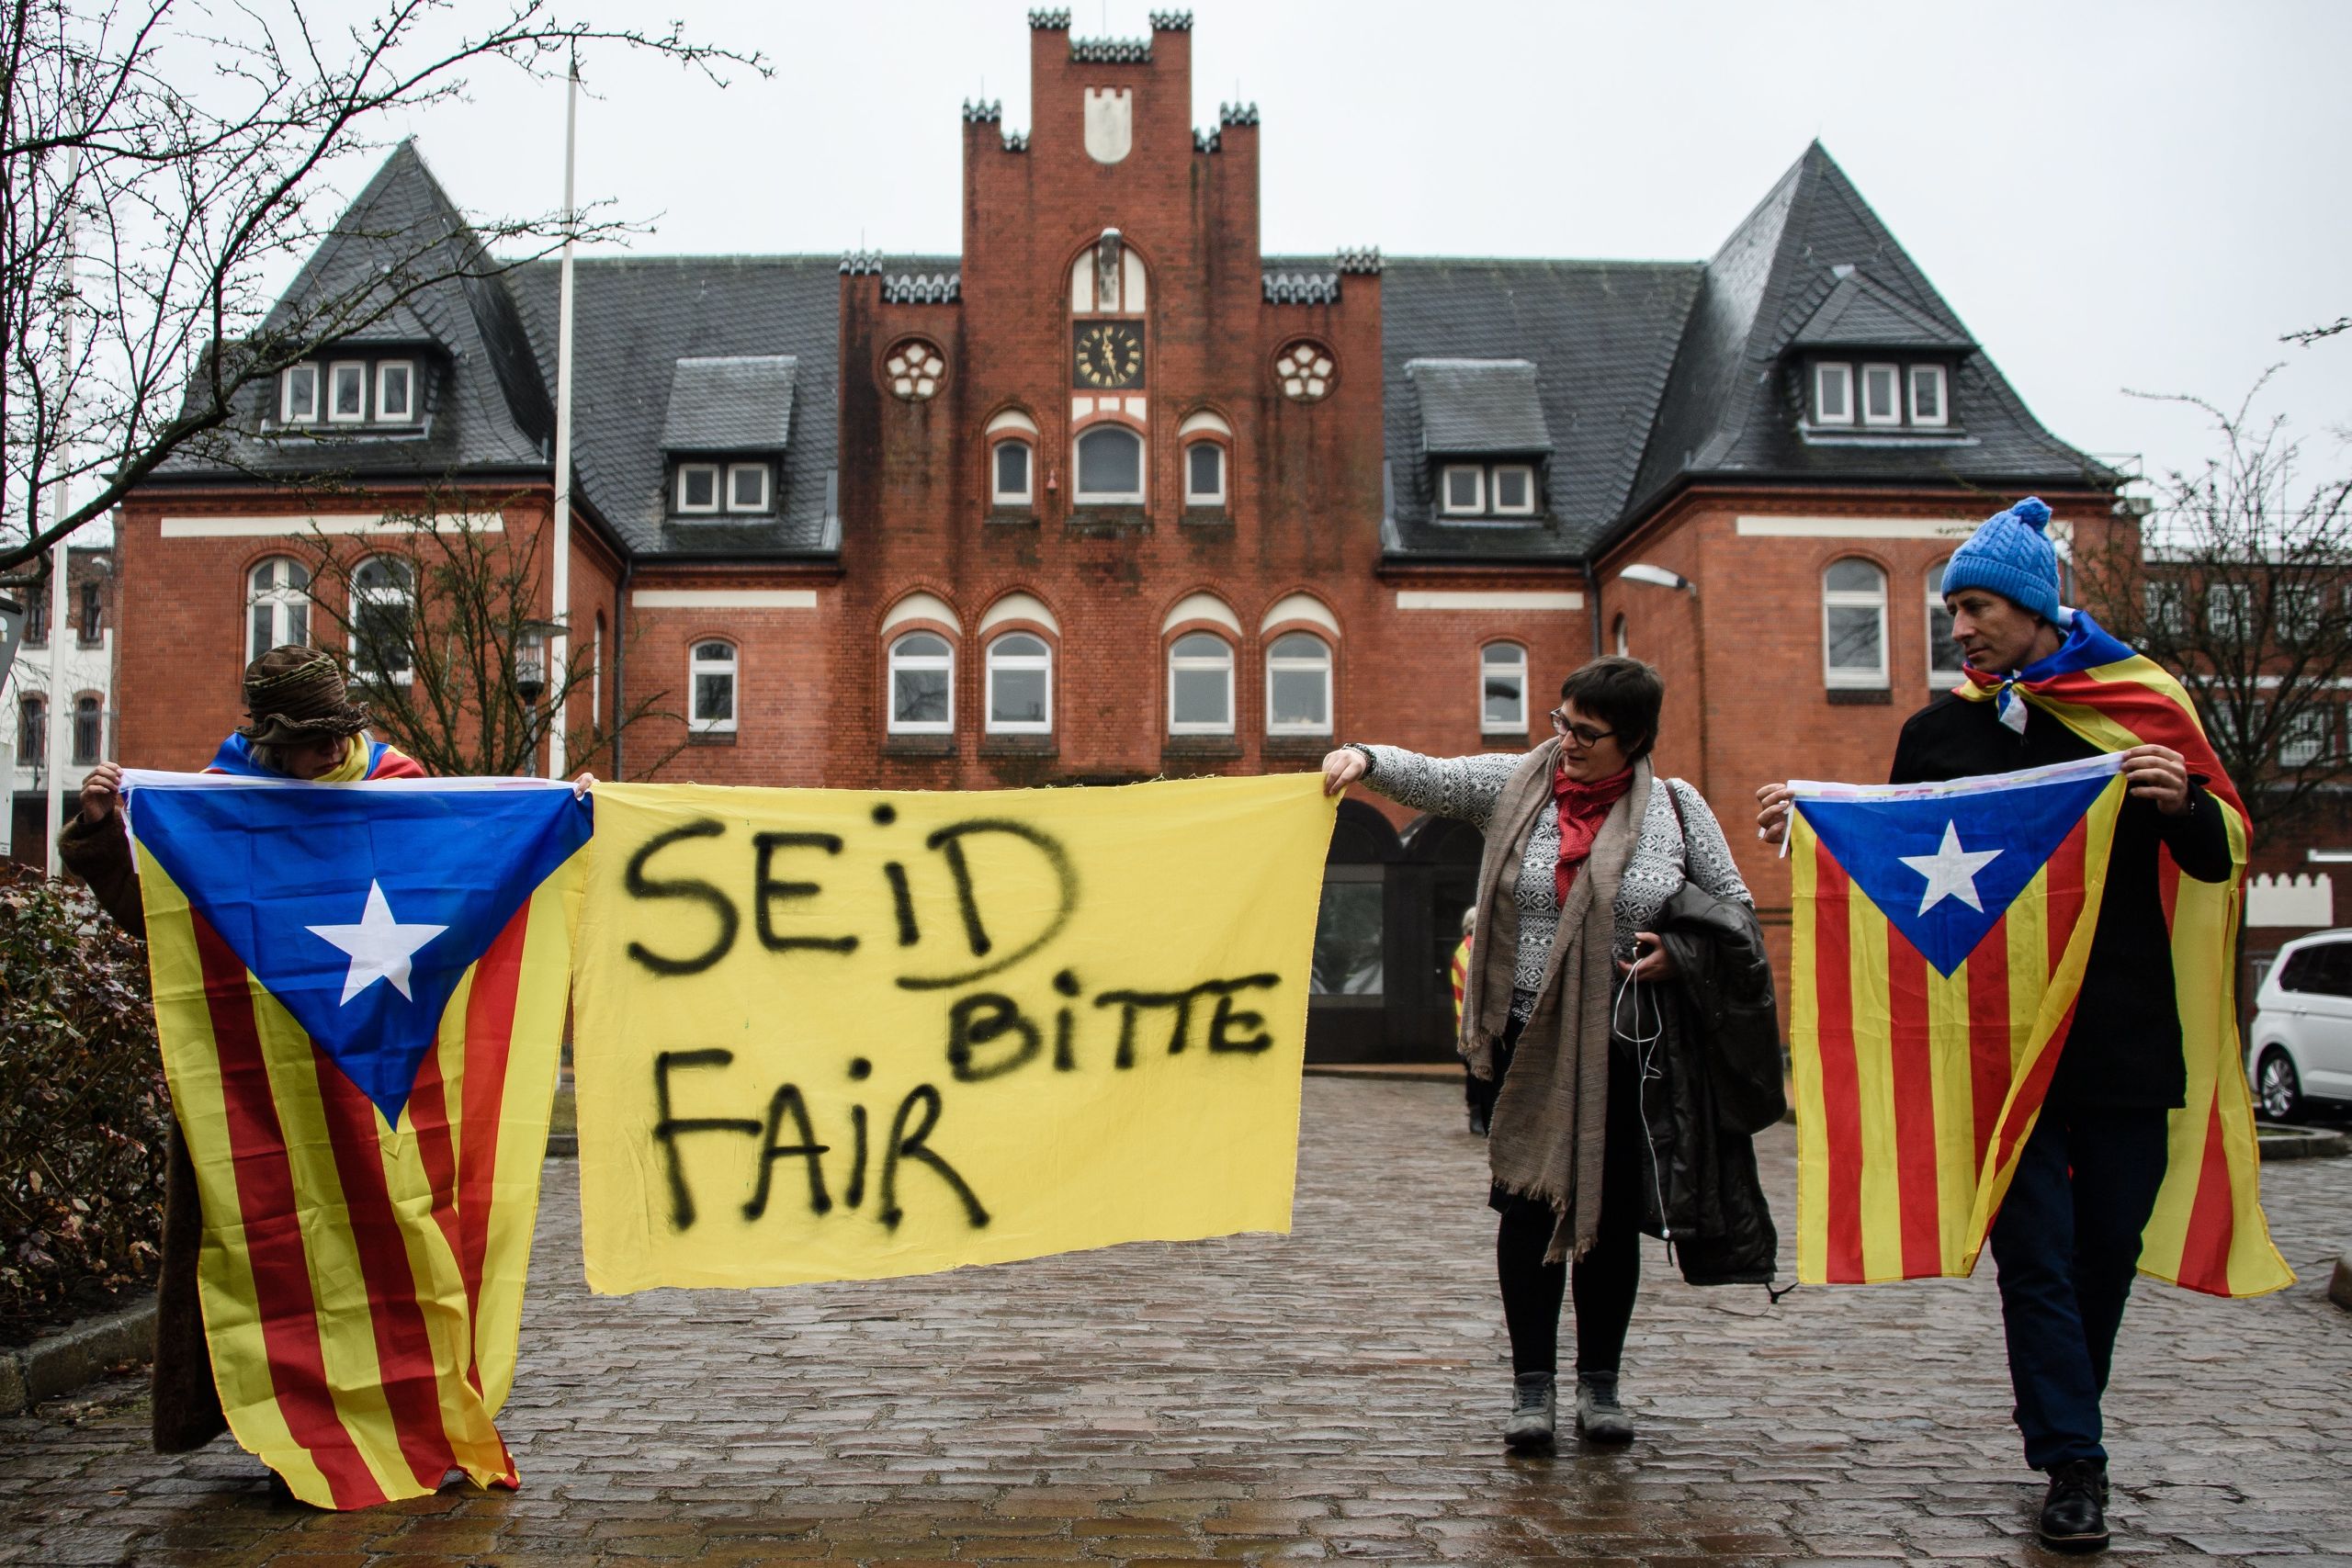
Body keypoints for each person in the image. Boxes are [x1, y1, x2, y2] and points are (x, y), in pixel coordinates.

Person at [1756, 498, 2233, 1552]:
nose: (1958, 629)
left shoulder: (2140, 710)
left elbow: (2215, 857)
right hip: (1997, 1052)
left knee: (2105, 1248)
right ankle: (2073, 1463)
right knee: (2037, 1258)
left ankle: (2068, 1418)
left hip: (2120, 1036)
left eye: (1974, 608)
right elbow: (1895, 879)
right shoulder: (1936, 735)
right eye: (1952, 611)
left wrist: (2179, 801)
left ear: (2033, 607)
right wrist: (1817, 830)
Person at [1324, 655, 1776, 1450]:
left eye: (1587, 732)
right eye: (1562, 721)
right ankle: (1531, 1388)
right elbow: (1435, 777)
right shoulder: (1520, 784)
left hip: (1627, 1048)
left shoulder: (1676, 807)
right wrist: (1363, 757)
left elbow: (1735, 913)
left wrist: (1678, 952)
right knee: (1527, 1210)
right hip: (1525, 1043)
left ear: (1634, 738)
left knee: (1607, 1216)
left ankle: (1601, 1384)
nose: (1567, 740)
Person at [60, 646, 429, 1453]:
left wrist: (556, 813)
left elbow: (468, 875)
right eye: (310, 740)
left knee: (373, 1243)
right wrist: (100, 833)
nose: (330, 751)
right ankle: (284, 1424)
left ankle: (387, 1413)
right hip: (252, 1075)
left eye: (337, 734)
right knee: (268, 1249)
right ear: (268, 742)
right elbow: (160, 918)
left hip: (361, 1068)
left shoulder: (399, 789)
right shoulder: (220, 806)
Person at [1452, 908, 1493, 1135]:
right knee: (1476, 1073)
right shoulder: (1467, 950)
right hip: (1470, 1027)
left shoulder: (1477, 948)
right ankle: (1477, 1114)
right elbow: (1475, 983)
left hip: (1478, 1025)